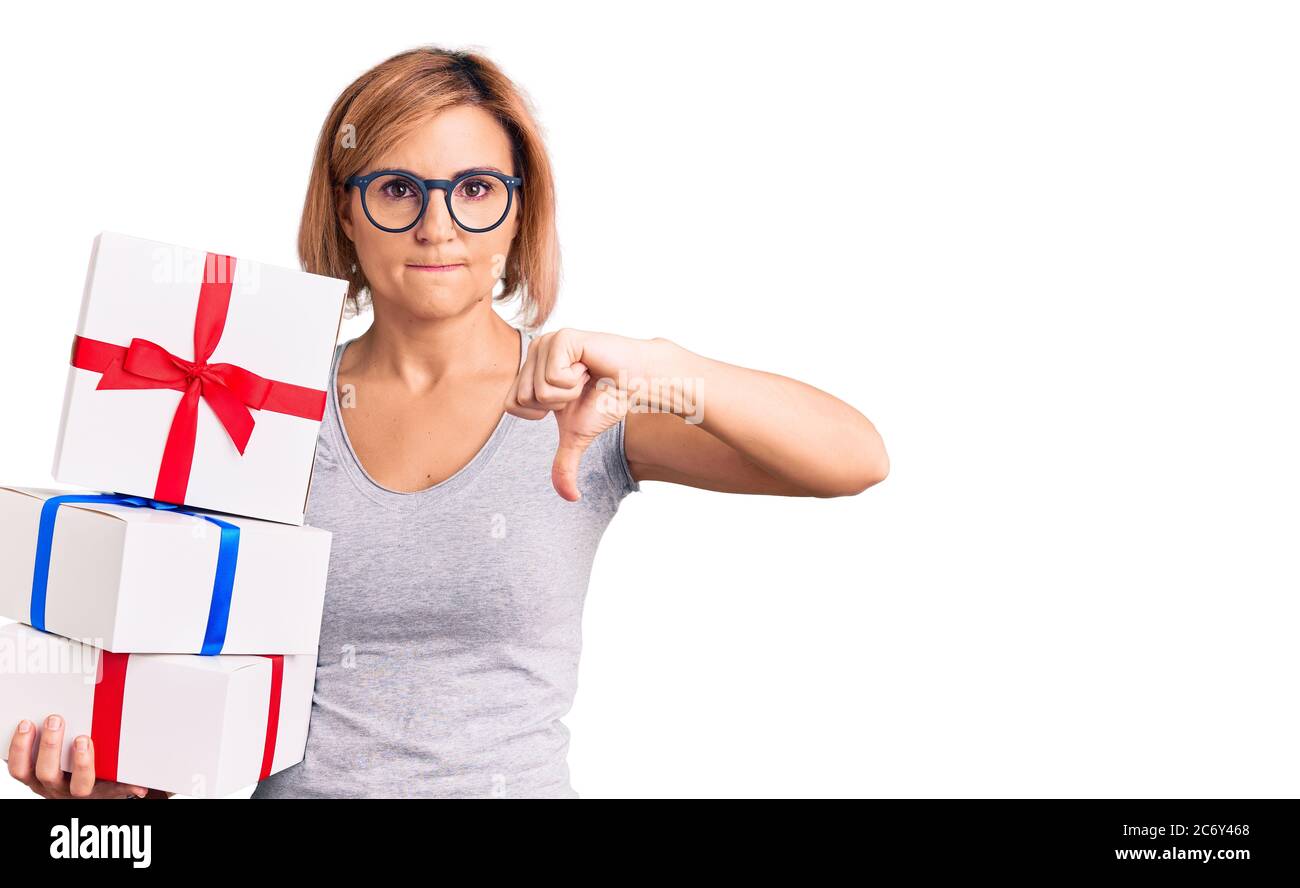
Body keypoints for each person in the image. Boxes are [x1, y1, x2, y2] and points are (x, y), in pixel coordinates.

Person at [8, 46, 888, 799]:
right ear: (347, 211)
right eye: (397, 188)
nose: (437, 227)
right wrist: (116, 781)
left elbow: (853, 458)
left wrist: (668, 364)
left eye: (474, 188)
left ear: (518, 211)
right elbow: (165, 633)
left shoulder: (589, 403)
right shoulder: (250, 407)